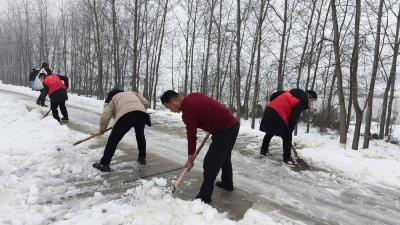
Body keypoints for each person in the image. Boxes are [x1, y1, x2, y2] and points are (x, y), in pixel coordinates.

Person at [160, 90, 239, 203]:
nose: (171, 110)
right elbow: (209, 107)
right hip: (230, 124)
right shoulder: (193, 96)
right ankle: (227, 183)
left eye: (169, 107)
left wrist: (190, 159)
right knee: (223, 156)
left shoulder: (188, 111)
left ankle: (204, 197)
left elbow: (192, 136)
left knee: (210, 162)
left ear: (174, 101)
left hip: (225, 129)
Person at [92, 90, 151, 172]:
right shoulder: (132, 93)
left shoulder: (113, 99)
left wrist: (102, 129)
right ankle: (142, 158)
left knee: (114, 139)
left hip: (126, 116)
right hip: (141, 115)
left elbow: (105, 115)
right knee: (140, 136)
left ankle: (104, 164)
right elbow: (146, 103)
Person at [259, 89, 317, 165]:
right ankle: (287, 158)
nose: (311, 102)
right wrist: (290, 129)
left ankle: (264, 151)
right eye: (312, 100)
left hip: (270, 109)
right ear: (309, 96)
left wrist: (276, 104)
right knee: (287, 136)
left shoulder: (290, 92)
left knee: (270, 131)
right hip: (278, 113)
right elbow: (295, 116)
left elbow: (274, 95)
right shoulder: (302, 100)